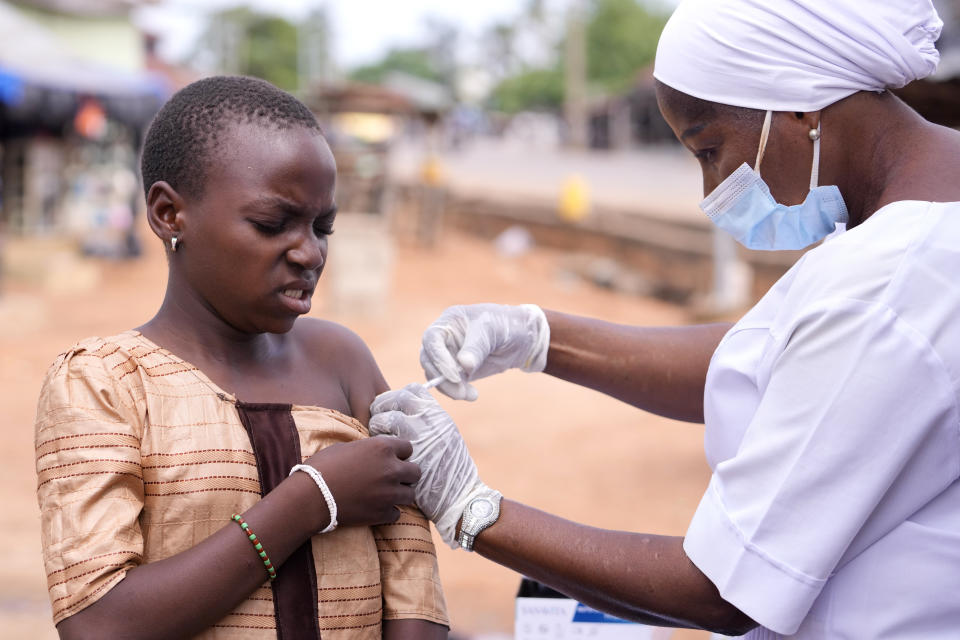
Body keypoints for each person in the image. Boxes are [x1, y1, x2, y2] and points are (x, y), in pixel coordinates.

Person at [369, 1, 960, 637]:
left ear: (799, 109)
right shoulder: (911, 233)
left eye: (709, 148)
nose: (710, 188)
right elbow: (769, 359)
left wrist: (471, 507)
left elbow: (723, 589)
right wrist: (537, 337)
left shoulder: (887, 288)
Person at [35, 76, 449, 640]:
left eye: (322, 226)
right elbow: (98, 623)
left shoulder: (343, 360)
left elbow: (413, 580)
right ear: (168, 214)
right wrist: (311, 499)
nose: (309, 252)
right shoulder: (105, 384)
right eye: (272, 225)